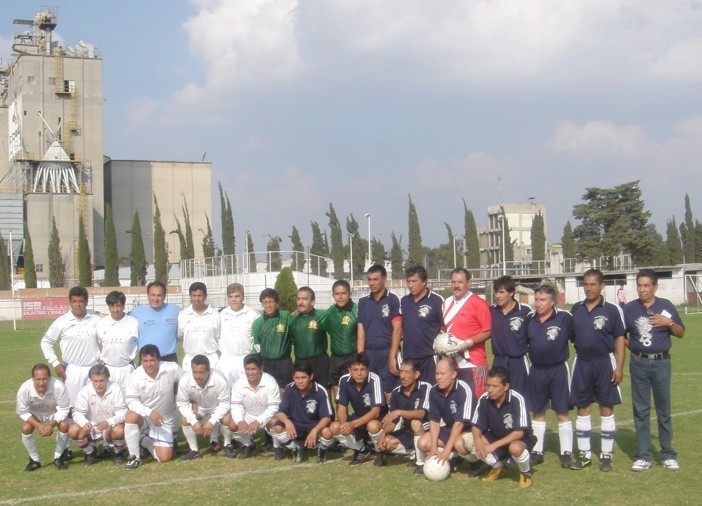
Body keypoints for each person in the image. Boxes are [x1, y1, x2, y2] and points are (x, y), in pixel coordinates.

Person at [624, 269, 685, 472]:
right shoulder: (630, 309)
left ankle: (667, 454)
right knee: (641, 410)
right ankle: (644, 456)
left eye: (646, 285)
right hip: (638, 364)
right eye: (639, 285)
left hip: (661, 363)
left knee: (663, 409)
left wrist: (669, 323)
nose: (642, 289)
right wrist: (636, 349)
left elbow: (681, 333)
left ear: (655, 287)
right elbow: (621, 335)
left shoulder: (665, 306)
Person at [569, 269, 626, 472]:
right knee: (582, 408)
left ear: (602, 286)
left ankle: (606, 455)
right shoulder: (576, 309)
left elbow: (620, 338)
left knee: (606, 407)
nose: (589, 288)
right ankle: (584, 455)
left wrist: (619, 367)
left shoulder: (612, 309)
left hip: (605, 363)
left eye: (593, 284)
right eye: (585, 284)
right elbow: (573, 337)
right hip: (582, 363)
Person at [525, 283, 576, 469]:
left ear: (552, 302)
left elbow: (577, 339)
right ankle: (537, 451)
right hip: (537, 370)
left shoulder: (564, 318)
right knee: (538, 411)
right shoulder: (529, 319)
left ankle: (566, 453)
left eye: (543, 300)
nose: (538, 303)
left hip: (558, 370)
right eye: (537, 299)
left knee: (562, 412)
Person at [471, 367, 534, 489]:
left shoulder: (517, 399)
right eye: (488, 385)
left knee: (515, 448)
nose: (490, 390)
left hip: (519, 439)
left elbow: (519, 433)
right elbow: (476, 426)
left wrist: (493, 446)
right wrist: (478, 441)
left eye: (495, 386)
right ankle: (497, 466)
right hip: (496, 435)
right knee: (469, 440)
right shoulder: (484, 399)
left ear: (506, 386)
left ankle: (525, 472)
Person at [123, 345, 184, 469]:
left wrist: (192, 400)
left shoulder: (171, 368)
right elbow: (131, 401)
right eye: (145, 361)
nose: (149, 364)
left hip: (164, 419)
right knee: (130, 415)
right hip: (145, 418)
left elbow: (187, 381)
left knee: (164, 458)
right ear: (140, 361)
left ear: (159, 359)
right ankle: (135, 458)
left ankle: (143, 439)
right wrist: (150, 412)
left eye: (152, 360)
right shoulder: (134, 377)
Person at [40, 286, 100, 406]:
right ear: (70, 302)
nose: (78, 304)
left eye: (81, 301)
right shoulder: (62, 321)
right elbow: (45, 342)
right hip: (72, 371)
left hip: (94, 369)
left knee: (95, 406)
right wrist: (56, 364)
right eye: (75, 301)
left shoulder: (96, 319)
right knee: (72, 407)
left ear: (86, 302)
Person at [367, 358, 431, 471]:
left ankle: (420, 462)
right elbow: (393, 420)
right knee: (387, 444)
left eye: (407, 372)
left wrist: (399, 412)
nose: (403, 376)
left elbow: (421, 414)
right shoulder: (396, 392)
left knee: (415, 423)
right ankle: (414, 452)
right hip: (408, 430)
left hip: (426, 429)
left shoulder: (426, 388)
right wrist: (383, 435)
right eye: (401, 372)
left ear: (416, 374)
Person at [416, 358, 475, 476]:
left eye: (443, 374)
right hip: (450, 428)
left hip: (468, 430)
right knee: (423, 443)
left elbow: (459, 424)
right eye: (437, 374)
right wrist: (433, 448)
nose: (439, 377)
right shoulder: (434, 391)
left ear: (453, 374)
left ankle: (476, 462)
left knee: (460, 445)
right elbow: (434, 421)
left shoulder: (464, 389)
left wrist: (446, 451)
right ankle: (455, 456)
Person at [267, 361, 334, 463]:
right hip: (295, 426)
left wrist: (315, 430)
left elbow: (326, 417)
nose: (300, 381)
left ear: (311, 376)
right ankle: (295, 448)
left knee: (327, 432)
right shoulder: (289, 388)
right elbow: (281, 412)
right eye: (297, 378)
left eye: (303, 378)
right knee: (277, 427)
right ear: (293, 377)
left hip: (313, 425)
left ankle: (322, 450)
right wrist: (287, 422)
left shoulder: (320, 391)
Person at [329, 352, 386, 466]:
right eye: (355, 370)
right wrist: (344, 425)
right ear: (349, 370)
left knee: (373, 425)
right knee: (335, 427)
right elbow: (341, 407)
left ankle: (380, 451)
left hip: (378, 419)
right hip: (358, 418)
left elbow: (376, 412)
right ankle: (361, 449)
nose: (359, 373)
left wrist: (353, 425)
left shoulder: (374, 379)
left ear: (368, 369)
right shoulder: (344, 380)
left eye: (362, 369)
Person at [442, 268, 492, 398]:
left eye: (460, 282)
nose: (456, 285)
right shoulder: (446, 303)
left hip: (474, 363)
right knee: (455, 402)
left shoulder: (479, 303)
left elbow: (488, 331)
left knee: (476, 401)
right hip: (452, 364)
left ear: (468, 283)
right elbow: (444, 329)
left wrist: (467, 343)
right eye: (453, 282)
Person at [357, 264, 402, 399]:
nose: (372, 283)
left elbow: (397, 329)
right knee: (370, 391)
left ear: (384, 280)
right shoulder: (363, 302)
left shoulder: (393, 299)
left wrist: (392, 356)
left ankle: (392, 413)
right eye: (369, 279)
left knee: (389, 392)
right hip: (369, 353)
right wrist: (360, 357)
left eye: (375, 279)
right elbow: (361, 330)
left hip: (387, 351)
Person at [176, 354, 233, 461]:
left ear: (208, 370)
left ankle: (227, 444)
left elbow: (225, 404)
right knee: (184, 419)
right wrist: (194, 422)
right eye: (195, 372)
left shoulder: (220, 379)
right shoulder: (184, 380)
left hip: (218, 407)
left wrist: (211, 422)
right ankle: (194, 450)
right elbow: (182, 403)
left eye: (201, 372)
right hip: (200, 408)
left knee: (227, 418)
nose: (197, 376)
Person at [69, 364, 128, 466]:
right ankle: (90, 452)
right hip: (92, 428)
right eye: (95, 381)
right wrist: (84, 423)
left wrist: (108, 422)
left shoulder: (116, 388)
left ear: (107, 378)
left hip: (110, 428)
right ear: (91, 380)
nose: (98, 384)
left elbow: (123, 413)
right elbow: (77, 413)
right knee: (73, 430)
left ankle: (118, 453)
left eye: (101, 381)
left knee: (119, 430)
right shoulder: (84, 391)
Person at [16, 364, 71, 471]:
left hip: (54, 411)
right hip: (35, 414)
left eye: (44, 379)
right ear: (33, 379)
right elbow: (23, 412)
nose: (41, 383)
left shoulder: (58, 386)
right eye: (38, 379)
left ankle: (58, 457)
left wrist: (51, 424)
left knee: (64, 425)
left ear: (49, 378)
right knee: (26, 428)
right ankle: (34, 460)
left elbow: (64, 409)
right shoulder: (24, 389)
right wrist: (38, 426)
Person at [490, 276, 532, 410]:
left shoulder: (525, 311)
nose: (497, 296)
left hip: (518, 362)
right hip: (498, 361)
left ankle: (522, 424)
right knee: (497, 399)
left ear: (511, 292)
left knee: (520, 400)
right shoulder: (491, 311)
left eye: (501, 292)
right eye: (496, 292)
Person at [229, 354, 281, 459]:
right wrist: (240, 421)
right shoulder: (239, 384)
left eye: (253, 369)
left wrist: (258, 421)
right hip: (249, 415)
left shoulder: (270, 382)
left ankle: (278, 447)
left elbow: (274, 407)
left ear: (261, 368)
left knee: (276, 422)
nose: (250, 372)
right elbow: (236, 405)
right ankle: (248, 445)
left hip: (267, 415)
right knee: (232, 425)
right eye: (247, 369)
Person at [400, 265, 444, 383]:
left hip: (430, 357)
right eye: (408, 281)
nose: (410, 285)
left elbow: (445, 327)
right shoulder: (404, 301)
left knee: (431, 390)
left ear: (424, 282)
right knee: (411, 391)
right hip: (409, 357)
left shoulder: (437, 300)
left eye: (414, 281)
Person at [251, 288, 293, 392]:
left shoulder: (285, 316)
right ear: (262, 304)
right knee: (269, 390)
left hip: (284, 362)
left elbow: (295, 334)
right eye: (265, 302)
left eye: (271, 302)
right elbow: (256, 346)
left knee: (286, 390)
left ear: (277, 303)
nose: (268, 305)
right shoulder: (258, 323)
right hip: (267, 364)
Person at [323, 280, 358, 398]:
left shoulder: (356, 310)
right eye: (337, 294)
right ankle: (339, 408)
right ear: (333, 295)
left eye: (343, 293)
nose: (340, 297)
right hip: (335, 358)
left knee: (353, 391)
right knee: (337, 393)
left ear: (349, 294)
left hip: (352, 356)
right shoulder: (330, 312)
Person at [131, 281, 182, 363]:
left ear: (164, 296)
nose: (155, 298)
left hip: (169, 359)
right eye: (153, 295)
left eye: (159, 295)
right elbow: (120, 318)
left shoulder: (176, 310)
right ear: (148, 295)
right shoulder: (136, 312)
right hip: (146, 360)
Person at [97, 291, 139, 388]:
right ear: (108, 307)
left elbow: (138, 344)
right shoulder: (101, 323)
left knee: (129, 396)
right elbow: (99, 345)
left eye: (118, 306)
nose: (115, 310)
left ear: (123, 306)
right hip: (108, 369)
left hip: (128, 369)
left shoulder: (133, 323)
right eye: (112, 306)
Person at [219, 283, 259, 385]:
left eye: (237, 296)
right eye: (230, 297)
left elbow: (258, 339)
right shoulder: (221, 315)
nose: (234, 299)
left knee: (245, 390)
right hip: (226, 360)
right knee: (226, 391)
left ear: (243, 297)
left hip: (245, 358)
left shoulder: (253, 315)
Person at [289, 287, 330, 387]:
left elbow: (335, 333)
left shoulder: (322, 316)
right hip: (300, 362)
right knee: (302, 392)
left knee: (323, 392)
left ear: (312, 302)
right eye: (298, 299)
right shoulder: (293, 319)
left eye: (304, 299)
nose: (300, 302)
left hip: (319, 361)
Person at [178, 282, 221, 371]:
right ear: (190, 296)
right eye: (194, 295)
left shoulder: (215, 315)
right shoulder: (183, 315)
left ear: (205, 296)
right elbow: (180, 335)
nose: (197, 299)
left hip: (210, 359)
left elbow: (218, 336)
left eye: (199, 295)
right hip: (189, 360)